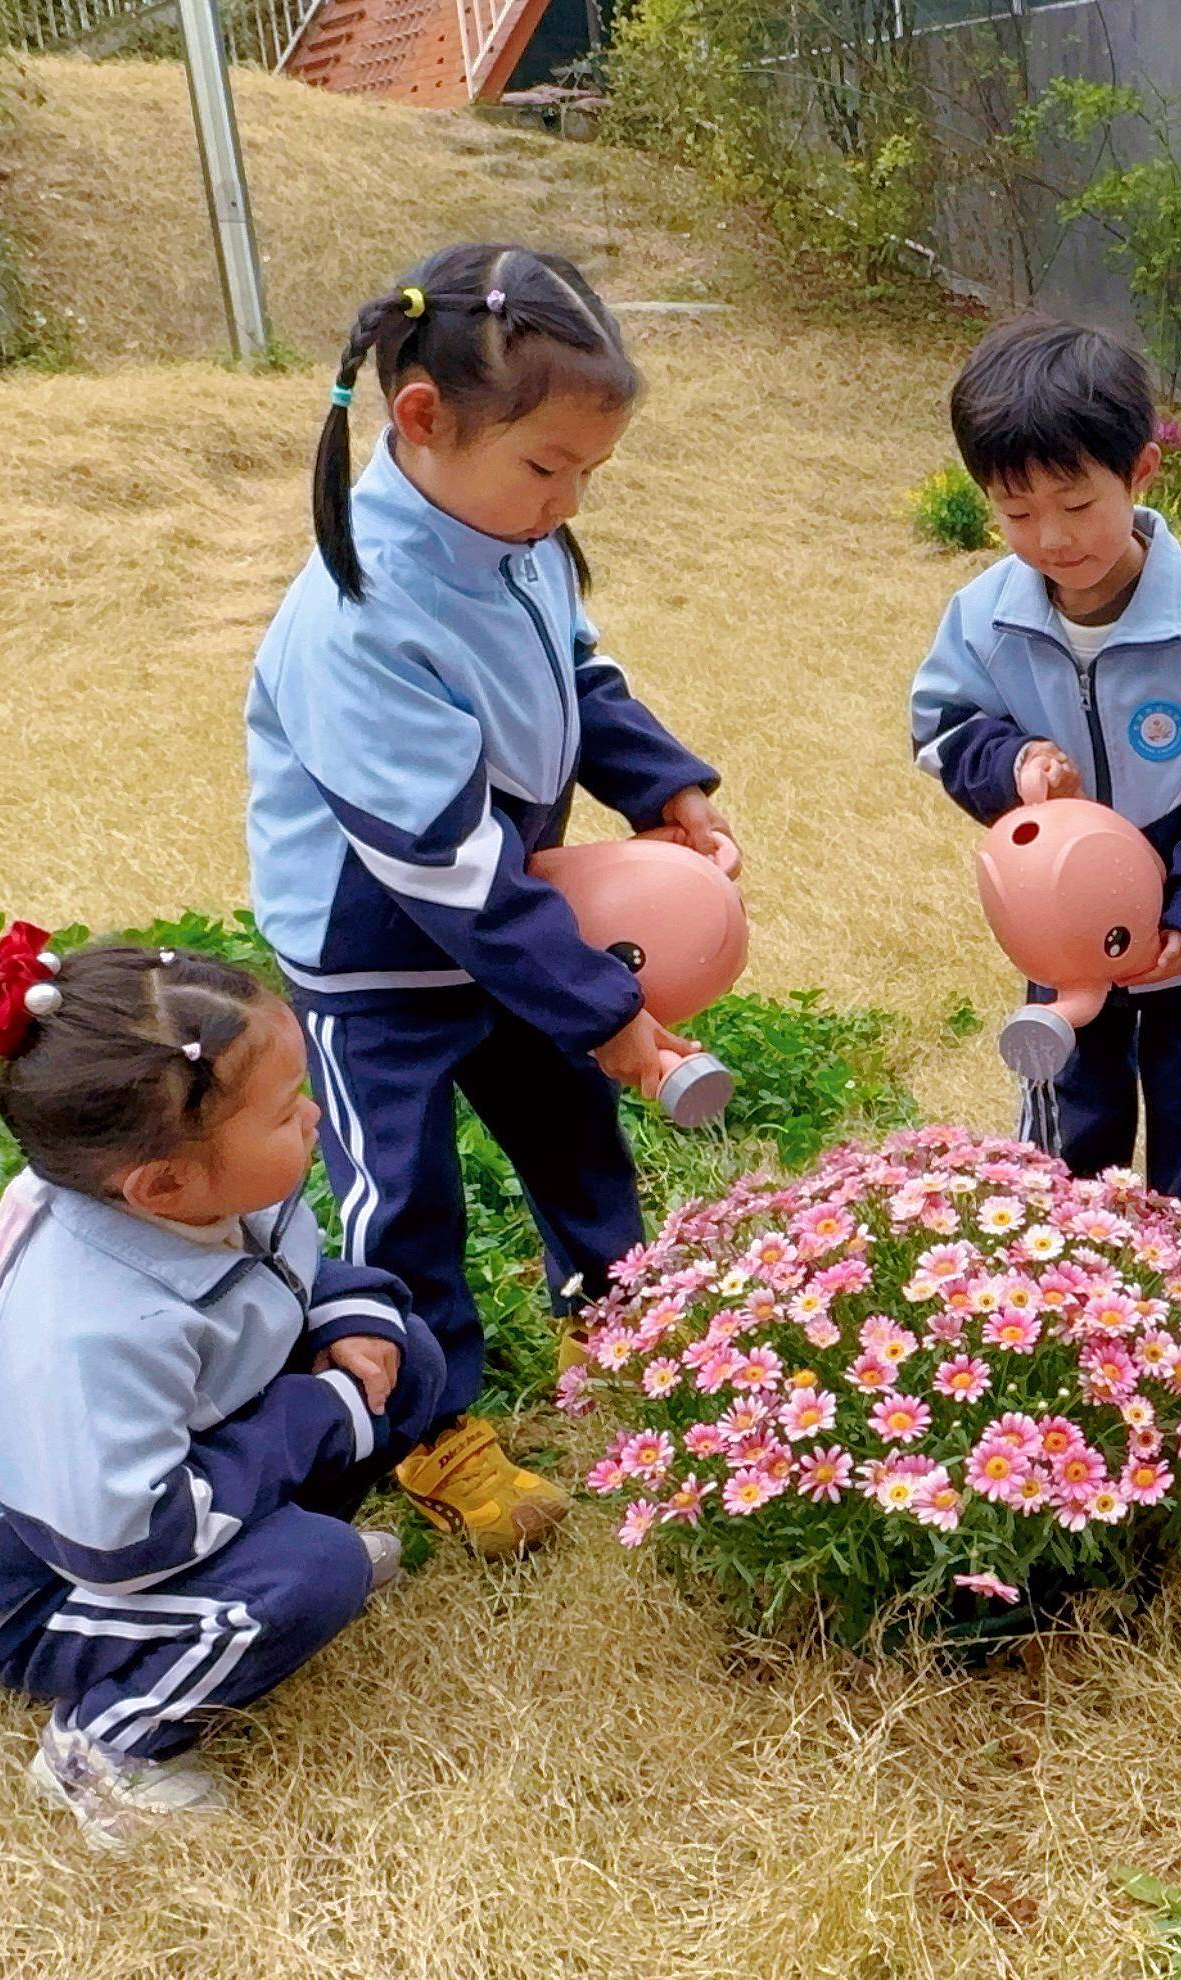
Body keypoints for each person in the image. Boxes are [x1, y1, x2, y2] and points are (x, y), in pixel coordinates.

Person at [249, 243, 737, 1556]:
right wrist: (609, 1012)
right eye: (547, 467)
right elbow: (443, 867)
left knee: (575, 1134)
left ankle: (613, 1315)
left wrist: (665, 787)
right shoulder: (358, 617)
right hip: (380, 955)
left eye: (588, 475)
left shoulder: (514, 536)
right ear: (422, 418)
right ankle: (428, 1422)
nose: (566, 500)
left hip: (509, 922)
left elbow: (579, 676)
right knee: (399, 1193)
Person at [0, 928, 442, 1846]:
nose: (312, 1119)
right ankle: (105, 1746)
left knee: (402, 1359)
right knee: (313, 1569)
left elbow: (279, 1281)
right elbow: (122, 1545)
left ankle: (261, 1577)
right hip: (43, 1584)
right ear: (160, 1186)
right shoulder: (93, 1329)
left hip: (170, 1467)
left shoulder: (203, 1189)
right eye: (285, 1111)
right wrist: (316, 1415)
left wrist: (348, 1314)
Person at [909, 316, 1181, 1247]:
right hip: (1063, 936)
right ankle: (1073, 1284)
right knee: (1066, 1123)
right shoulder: (985, 618)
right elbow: (942, 725)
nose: (1051, 537)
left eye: (1077, 503)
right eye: (1016, 512)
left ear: (1139, 473)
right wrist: (1010, 763)